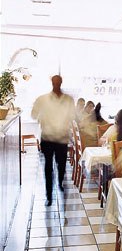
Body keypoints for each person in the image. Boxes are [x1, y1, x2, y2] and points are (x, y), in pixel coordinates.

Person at [31, 75, 75, 206]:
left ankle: (60, 182)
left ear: (61, 83)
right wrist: (42, 117)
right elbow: (33, 114)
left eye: (58, 82)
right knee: (48, 167)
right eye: (55, 82)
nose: (56, 84)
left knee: (61, 165)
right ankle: (48, 195)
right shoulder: (42, 99)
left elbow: (72, 116)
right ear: (52, 83)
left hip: (62, 137)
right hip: (48, 137)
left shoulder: (68, 100)